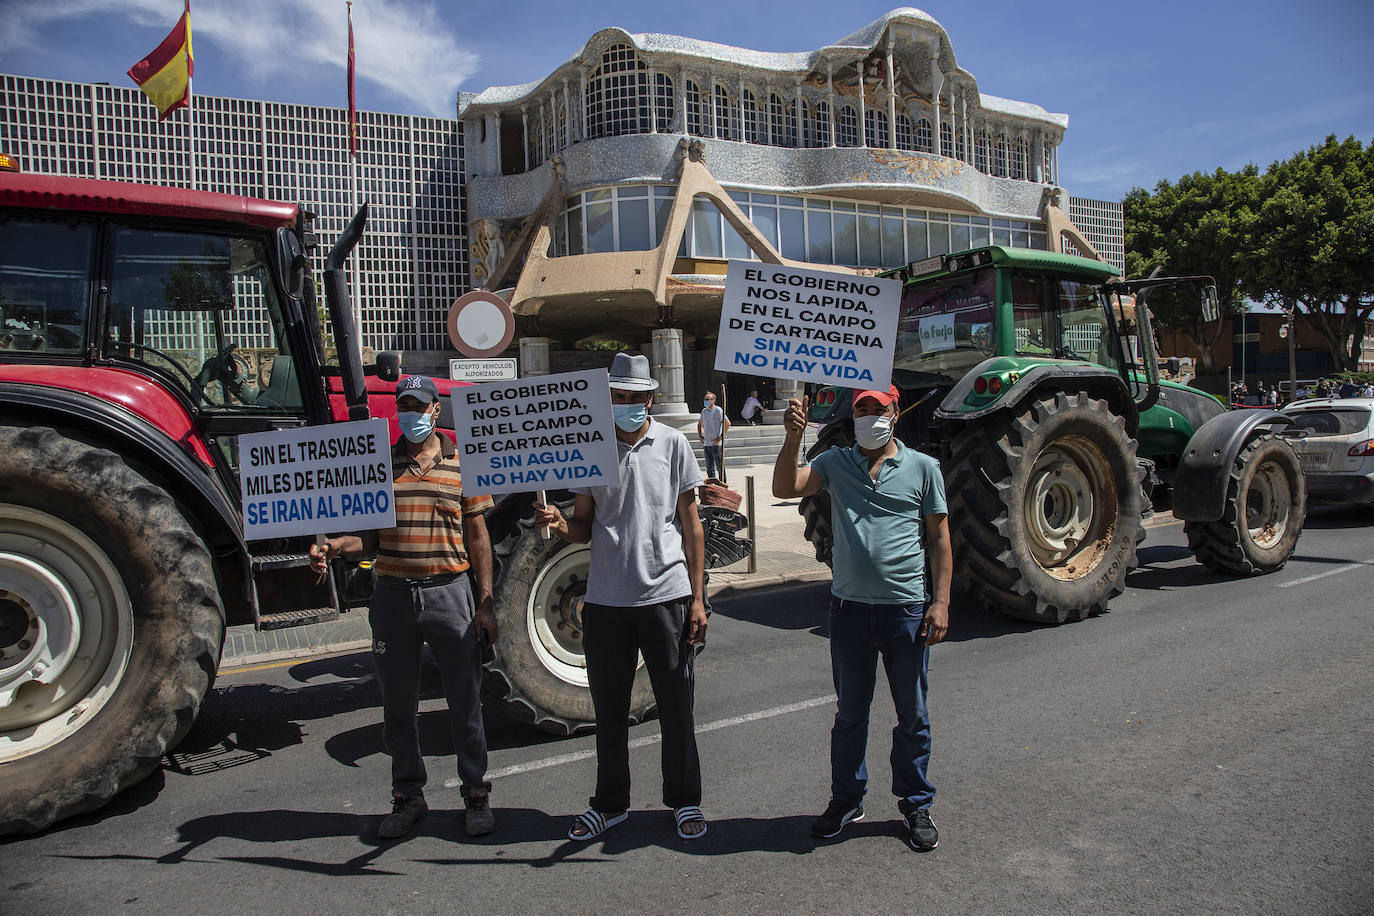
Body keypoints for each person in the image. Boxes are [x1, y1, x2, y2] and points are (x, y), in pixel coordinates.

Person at [310, 375, 497, 840]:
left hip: (450, 593)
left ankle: (476, 794)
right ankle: (407, 796)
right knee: (397, 706)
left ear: (436, 411)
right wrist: (335, 546)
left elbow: (478, 539)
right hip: (392, 597)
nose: (411, 413)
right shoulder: (379, 465)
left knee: (465, 703)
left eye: (419, 405)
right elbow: (369, 540)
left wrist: (486, 602)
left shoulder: (461, 463)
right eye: (404, 405)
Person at [534, 352, 709, 842]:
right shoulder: (592, 449)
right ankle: (609, 805)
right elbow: (584, 526)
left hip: (666, 596)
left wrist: (697, 598)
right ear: (607, 399)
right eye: (619, 398)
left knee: (677, 707)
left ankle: (685, 801)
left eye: (636, 398)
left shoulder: (674, 444)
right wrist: (559, 524)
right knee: (608, 712)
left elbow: (692, 524)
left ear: (651, 398)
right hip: (607, 601)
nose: (627, 406)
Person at [772, 383, 952, 852]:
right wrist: (793, 436)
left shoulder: (923, 468)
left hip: (906, 611)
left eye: (879, 408)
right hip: (849, 612)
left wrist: (941, 601)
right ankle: (847, 798)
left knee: (912, 715)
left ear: (896, 412)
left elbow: (939, 540)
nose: (871, 416)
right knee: (850, 715)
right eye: (862, 409)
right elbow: (784, 487)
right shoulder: (836, 464)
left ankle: (915, 803)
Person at [698, 390, 730, 483]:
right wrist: (700, 436)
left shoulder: (718, 410)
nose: (706, 401)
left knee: (720, 466)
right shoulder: (704, 411)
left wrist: (720, 437)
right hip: (707, 443)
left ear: (713, 400)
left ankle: (722, 484)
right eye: (705, 399)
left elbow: (727, 423)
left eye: (708, 399)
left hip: (716, 444)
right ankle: (712, 484)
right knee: (709, 466)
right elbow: (699, 424)